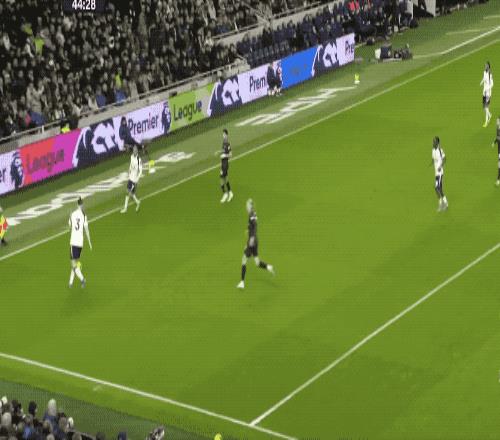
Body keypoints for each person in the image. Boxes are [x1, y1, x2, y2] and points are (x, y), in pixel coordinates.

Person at [237, 199, 274, 289]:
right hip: (254, 241)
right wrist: (248, 230)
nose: (246, 207)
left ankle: (242, 282)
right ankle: (268, 267)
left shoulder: (251, 214)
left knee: (244, 259)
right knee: (257, 263)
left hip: (252, 241)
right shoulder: (253, 213)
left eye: (247, 205)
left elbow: (255, 225)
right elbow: (252, 225)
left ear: (250, 206)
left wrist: (252, 237)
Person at [69, 198, 92, 288]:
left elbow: (70, 226)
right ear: (82, 205)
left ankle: (82, 279)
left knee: (73, 264)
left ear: (77, 205)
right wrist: (89, 242)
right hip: (80, 243)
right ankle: (70, 282)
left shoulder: (73, 214)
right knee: (75, 263)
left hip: (74, 241)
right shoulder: (84, 215)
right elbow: (86, 229)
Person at [121, 146, 142, 213]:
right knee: (131, 193)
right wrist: (129, 170)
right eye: (133, 150)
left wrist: (137, 179)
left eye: (135, 150)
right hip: (130, 177)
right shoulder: (132, 156)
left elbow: (140, 170)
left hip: (134, 180)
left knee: (128, 192)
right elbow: (131, 164)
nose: (134, 151)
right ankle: (137, 202)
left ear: (137, 151)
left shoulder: (139, 159)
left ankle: (125, 208)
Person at [431, 136, 448, 212]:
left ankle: (443, 204)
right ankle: (443, 204)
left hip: (440, 173)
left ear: (438, 142)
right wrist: (432, 162)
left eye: (434, 141)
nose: (433, 142)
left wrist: (440, 166)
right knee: (439, 189)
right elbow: (433, 159)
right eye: (433, 141)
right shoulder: (433, 150)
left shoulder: (440, 150)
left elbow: (444, 159)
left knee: (437, 188)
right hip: (436, 173)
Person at [219, 129, 234, 203]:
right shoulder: (223, 143)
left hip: (225, 164)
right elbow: (224, 151)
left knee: (221, 178)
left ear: (227, 135)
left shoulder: (228, 143)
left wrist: (224, 155)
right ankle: (230, 193)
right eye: (223, 134)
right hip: (223, 163)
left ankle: (225, 193)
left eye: (224, 134)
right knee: (226, 178)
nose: (223, 135)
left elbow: (231, 155)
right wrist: (219, 152)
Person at [480, 62, 494, 127]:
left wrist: (487, 89)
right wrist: (481, 82)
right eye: (485, 65)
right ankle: (490, 115)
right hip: (484, 92)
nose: (485, 66)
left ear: (489, 67)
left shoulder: (490, 74)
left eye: (486, 66)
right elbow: (484, 78)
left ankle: (486, 122)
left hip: (488, 93)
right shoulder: (484, 72)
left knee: (486, 107)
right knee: (484, 107)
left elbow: (492, 84)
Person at [492, 117, 500, 186]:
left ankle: (498, 180)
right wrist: (494, 142)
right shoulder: (497, 129)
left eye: (498, 121)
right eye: (496, 121)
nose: (496, 122)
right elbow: (497, 138)